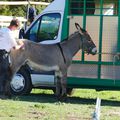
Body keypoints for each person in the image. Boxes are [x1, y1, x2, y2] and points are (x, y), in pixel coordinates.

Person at [0, 19, 24, 98]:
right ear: (14, 26)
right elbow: (15, 47)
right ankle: (2, 94)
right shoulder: (9, 33)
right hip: (3, 55)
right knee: (4, 73)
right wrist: (21, 46)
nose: (16, 30)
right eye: (17, 28)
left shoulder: (2, 29)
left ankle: (4, 92)